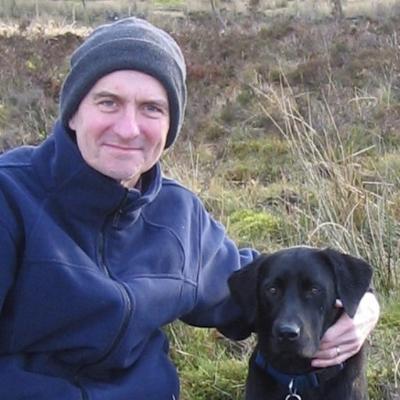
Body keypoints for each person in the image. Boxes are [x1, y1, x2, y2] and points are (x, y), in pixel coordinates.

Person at [0, 17, 379, 399]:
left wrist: (363, 307)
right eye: (108, 102)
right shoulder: (11, 195)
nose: (129, 128)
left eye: (151, 108)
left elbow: (259, 282)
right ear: (72, 112)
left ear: (170, 127)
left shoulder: (179, 215)